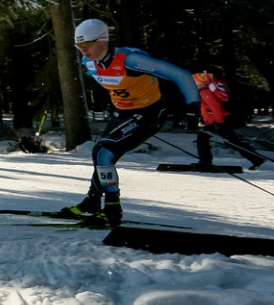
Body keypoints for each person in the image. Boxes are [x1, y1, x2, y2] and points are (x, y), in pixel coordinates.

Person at [62, 18, 201, 225]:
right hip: (123, 113)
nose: (83, 50)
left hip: (149, 113)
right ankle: (92, 201)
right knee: (102, 156)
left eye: (87, 44)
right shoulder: (88, 62)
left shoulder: (130, 61)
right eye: (79, 45)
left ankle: (112, 209)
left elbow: (179, 75)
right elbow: (116, 83)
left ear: (103, 40)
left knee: (102, 151)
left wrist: (192, 107)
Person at [195, 72, 265, 170]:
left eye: (196, 81)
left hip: (222, 120)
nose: (195, 84)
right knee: (230, 141)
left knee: (203, 137)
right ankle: (256, 159)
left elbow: (216, 107)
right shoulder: (211, 88)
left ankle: (205, 162)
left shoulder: (205, 91)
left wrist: (219, 123)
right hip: (225, 119)